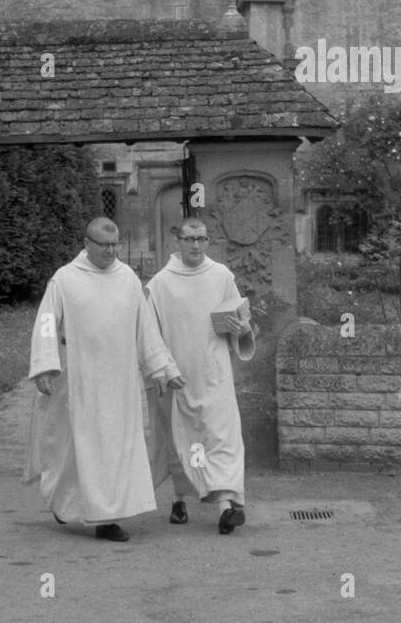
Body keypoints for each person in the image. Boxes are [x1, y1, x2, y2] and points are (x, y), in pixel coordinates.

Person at [23, 217, 184, 541]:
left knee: (114, 447)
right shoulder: (65, 280)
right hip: (78, 381)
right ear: (87, 244)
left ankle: (108, 518)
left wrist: (163, 368)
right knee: (71, 450)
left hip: (119, 383)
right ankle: (65, 502)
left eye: (115, 245)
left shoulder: (127, 279)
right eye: (104, 245)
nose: (111, 251)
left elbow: (145, 328)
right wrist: (44, 365)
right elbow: (45, 323)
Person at [145, 218, 257, 535]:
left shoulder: (221, 276)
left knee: (223, 438)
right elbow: (149, 335)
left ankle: (227, 507)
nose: (196, 246)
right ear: (177, 241)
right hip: (178, 377)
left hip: (215, 373)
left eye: (202, 239)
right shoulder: (160, 284)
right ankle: (180, 498)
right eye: (190, 239)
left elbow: (240, 316)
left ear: (208, 242)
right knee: (187, 444)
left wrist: (241, 328)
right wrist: (164, 370)